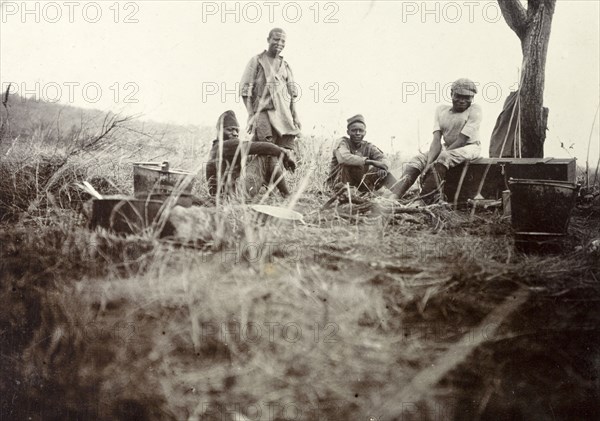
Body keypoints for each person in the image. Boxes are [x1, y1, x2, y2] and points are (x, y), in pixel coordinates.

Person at [394, 78, 483, 204]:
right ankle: (394, 196)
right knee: (418, 160)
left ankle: (422, 201)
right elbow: (436, 139)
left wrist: (436, 160)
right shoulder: (441, 110)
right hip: (447, 147)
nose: (462, 100)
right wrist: (429, 163)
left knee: (444, 157)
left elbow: (462, 140)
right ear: (451, 93)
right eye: (458, 96)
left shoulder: (475, 110)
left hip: (470, 147)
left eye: (467, 97)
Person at [240, 28, 301, 194]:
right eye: (276, 40)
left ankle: (269, 187)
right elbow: (245, 90)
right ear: (268, 39)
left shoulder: (286, 65)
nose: (279, 44)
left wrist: (295, 116)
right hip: (263, 113)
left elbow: (292, 94)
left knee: (282, 151)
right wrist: (252, 115)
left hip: (284, 116)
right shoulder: (257, 61)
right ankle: (282, 192)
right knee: (267, 149)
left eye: (283, 41)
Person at [205, 110, 295, 198]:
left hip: (224, 195)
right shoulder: (227, 145)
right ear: (219, 131)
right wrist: (285, 156)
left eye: (237, 130)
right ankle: (286, 194)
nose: (235, 134)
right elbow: (268, 148)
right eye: (230, 130)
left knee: (254, 158)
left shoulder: (217, 147)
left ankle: (274, 191)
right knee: (268, 155)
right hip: (234, 194)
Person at [326, 114, 403, 196]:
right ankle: (348, 194)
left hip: (359, 185)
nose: (358, 133)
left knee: (383, 171)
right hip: (339, 185)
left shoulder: (368, 146)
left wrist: (383, 167)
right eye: (354, 130)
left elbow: (384, 159)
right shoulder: (342, 142)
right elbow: (344, 158)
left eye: (361, 130)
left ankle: (401, 193)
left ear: (365, 132)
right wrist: (371, 162)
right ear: (348, 132)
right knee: (347, 164)